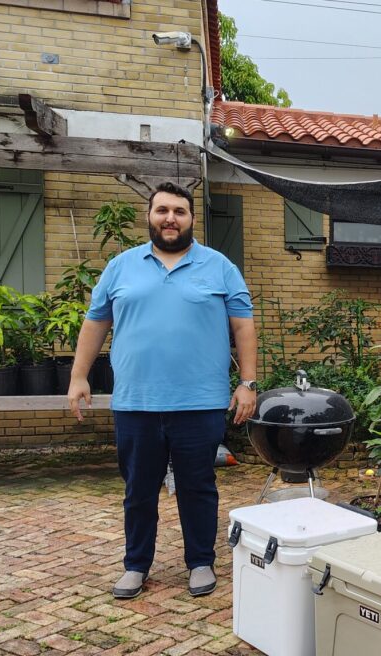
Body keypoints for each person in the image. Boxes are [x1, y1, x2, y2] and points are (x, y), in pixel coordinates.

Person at [67, 181, 258, 599]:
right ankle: (136, 565)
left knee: (198, 487)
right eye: (163, 210)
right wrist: (79, 376)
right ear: (150, 216)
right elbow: (95, 322)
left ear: (191, 219)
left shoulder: (220, 267)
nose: (170, 218)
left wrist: (247, 383)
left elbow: (243, 326)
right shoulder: (121, 266)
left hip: (200, 403)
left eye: (179, 211)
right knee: (138, 490)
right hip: (136, 402)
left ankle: (200, 561)